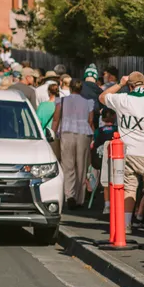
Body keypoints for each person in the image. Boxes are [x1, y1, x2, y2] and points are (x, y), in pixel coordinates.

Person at [100, 71, 144, 235]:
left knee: (129, 188)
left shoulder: (123, 99)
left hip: (129, 152)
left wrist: (120, 84)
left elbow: (102, 97)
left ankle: (126, 224)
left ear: (130, 86)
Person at [54, 76, 96, 209]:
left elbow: (56, 120)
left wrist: (53, 133)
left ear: (70, 88)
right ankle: (79, 198)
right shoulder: (88, 102)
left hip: (66, 133)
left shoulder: (62, 101)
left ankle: (69, 194)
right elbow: (90, 121)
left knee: (68, 165)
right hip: (83, 134)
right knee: (81, 166)